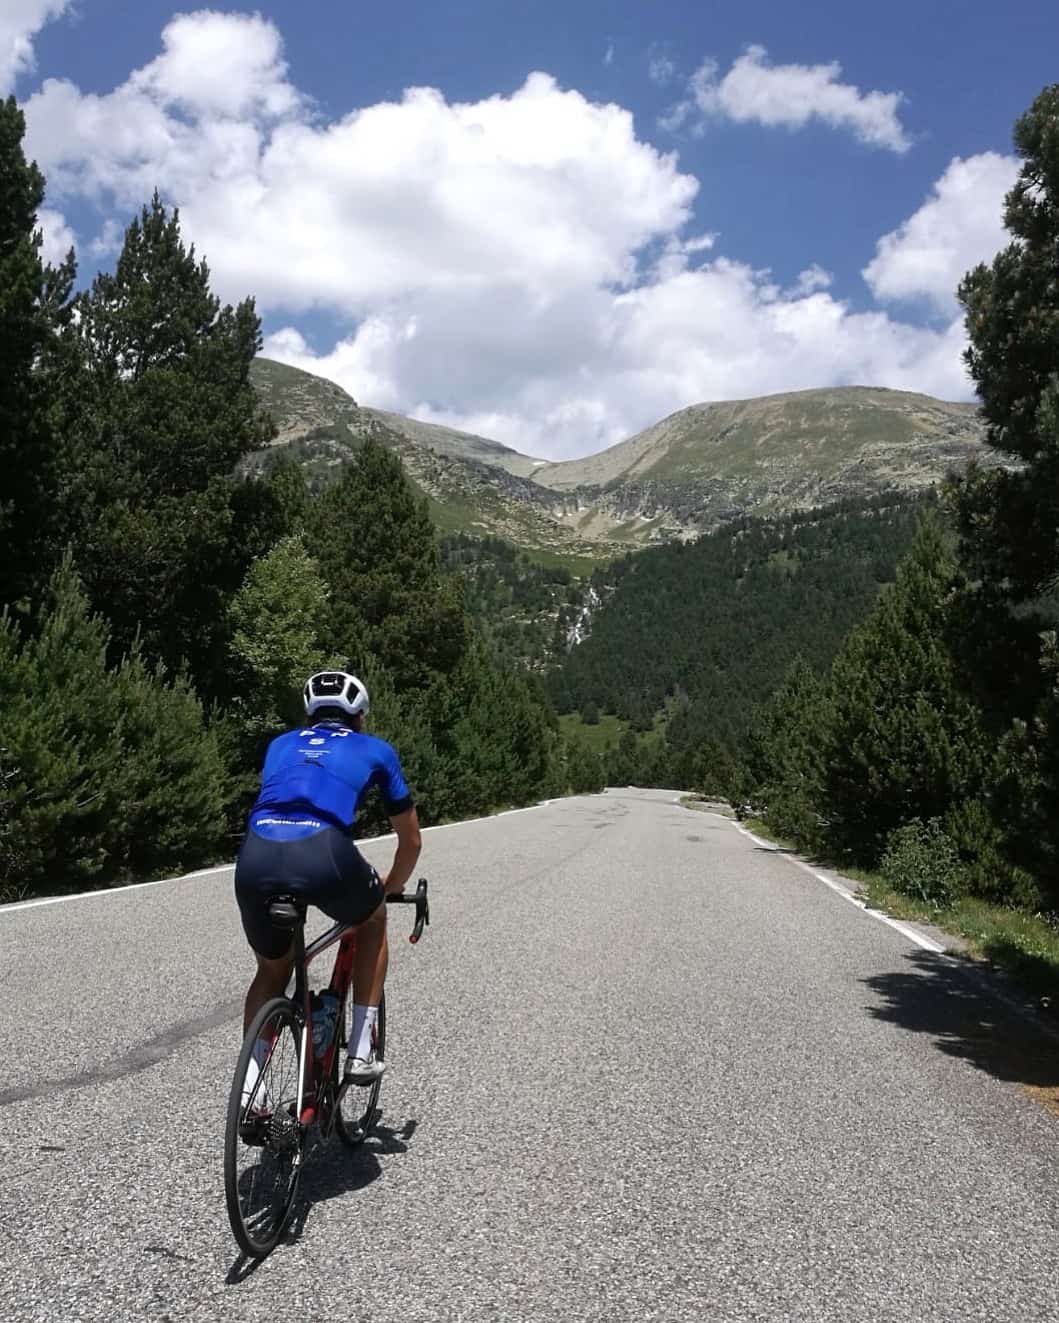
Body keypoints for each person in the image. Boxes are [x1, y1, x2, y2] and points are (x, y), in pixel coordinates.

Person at [234, 670, 421, 1087]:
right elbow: (410, 842)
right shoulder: (375, 749)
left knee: (272, 969)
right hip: (322, 852)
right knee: (372, 919)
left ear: (310, 713)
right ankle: (359, 1051)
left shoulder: (280, 744)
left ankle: (251, 1087)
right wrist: (388, 888)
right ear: (359, 716)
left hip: (256, 855)